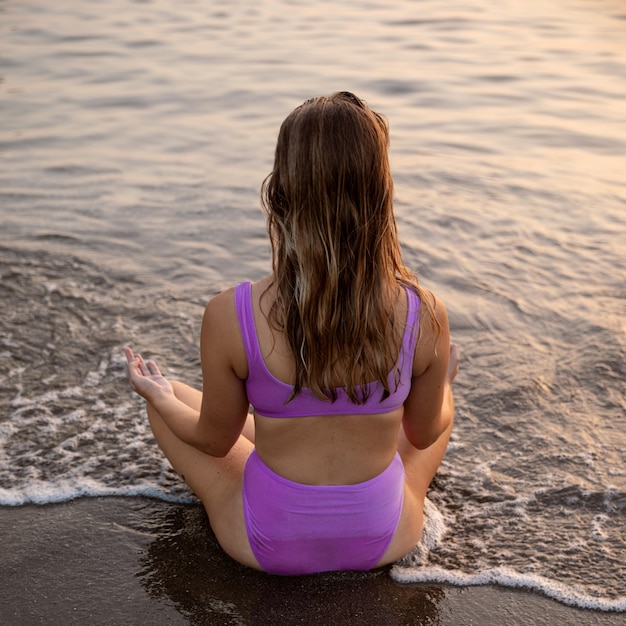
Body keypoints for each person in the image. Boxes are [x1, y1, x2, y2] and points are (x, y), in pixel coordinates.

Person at [125, 91, 458, 576]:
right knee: (429, 428)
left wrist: (158, 397)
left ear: (280, 191)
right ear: (381, 193)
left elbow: (214, 441)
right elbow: (423, 432)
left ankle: (273, 431)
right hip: (384, 537)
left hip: (267, 543)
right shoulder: (424, 313)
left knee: (170, 395)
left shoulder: (229, 313)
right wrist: (444, 388)